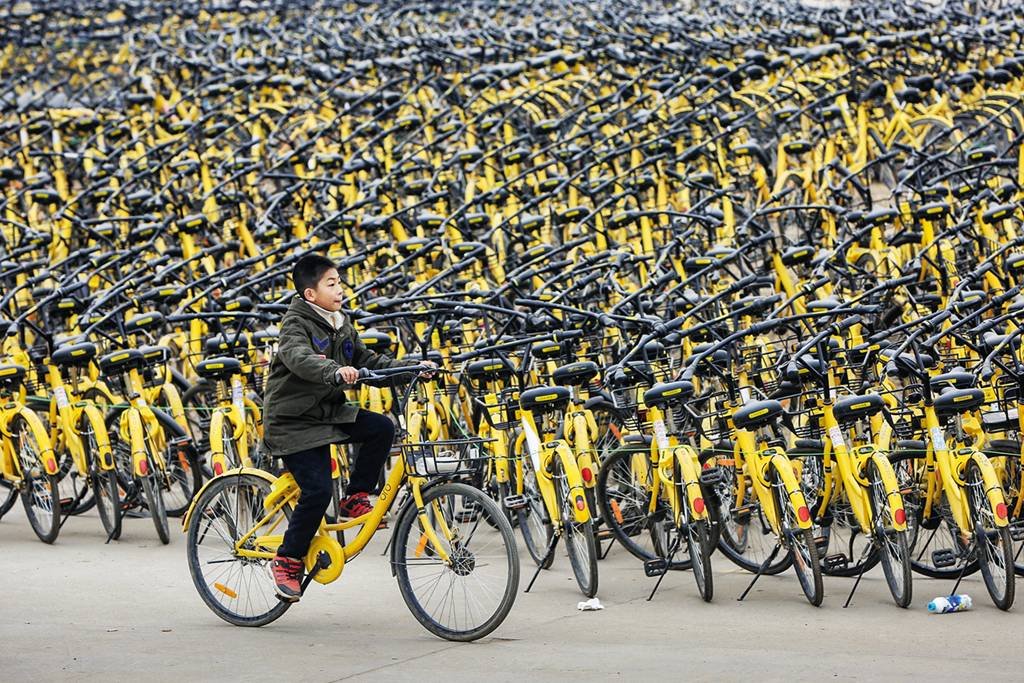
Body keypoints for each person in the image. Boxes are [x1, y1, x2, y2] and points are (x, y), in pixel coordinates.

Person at [262, 253, 433, 602]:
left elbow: (367, 361)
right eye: (331, 283)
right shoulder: (296, 325)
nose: (340, 289)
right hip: (294, 422)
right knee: (317, 490)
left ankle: (355, 495)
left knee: (381, 428)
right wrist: (333, 372)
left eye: (339, 282)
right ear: (311, 295)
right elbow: (299, 357)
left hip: (328, 413)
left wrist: (411, 367)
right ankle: (287, 560)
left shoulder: (341, 322)